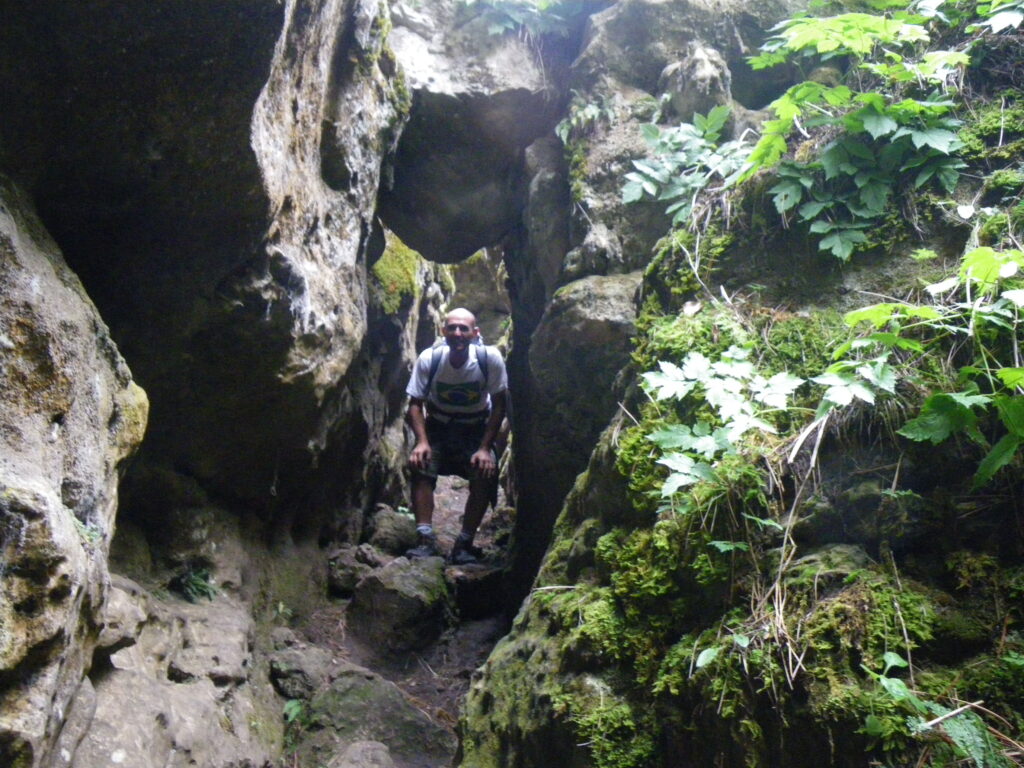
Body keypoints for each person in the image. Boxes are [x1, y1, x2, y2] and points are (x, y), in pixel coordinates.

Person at [405, 308, 508, 564]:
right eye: (452, 328)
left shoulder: (489, 359)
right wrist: (422, 441)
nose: (458, 333)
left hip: (475, 428)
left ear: (475, 333)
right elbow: (415, 404)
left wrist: (486, 447)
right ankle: (425, 538)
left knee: (485, 472)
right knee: (421, 467)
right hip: (438, 426)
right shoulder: (431, 358)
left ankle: (464, 543)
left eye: (464, 328)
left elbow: (500, 405)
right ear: (444, 331)